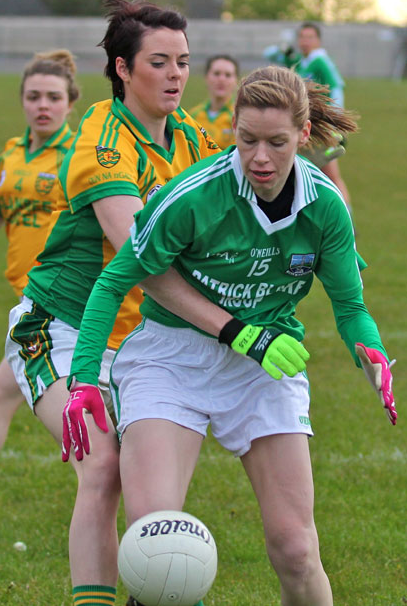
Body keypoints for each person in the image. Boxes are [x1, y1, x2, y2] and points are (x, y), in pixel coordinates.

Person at [64, 65, 397, 605]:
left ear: (303, 136)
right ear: (233, 132)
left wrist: (374, 355)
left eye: (276, 143)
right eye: (247, 141)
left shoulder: (325, 207)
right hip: (169, 361)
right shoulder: (192, 197)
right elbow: (113, 283)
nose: (259, 158)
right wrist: (82, 380)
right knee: (155, 541)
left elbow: (350, 307)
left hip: (265, 366)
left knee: (295, 549)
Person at [5, 0, 220, 606]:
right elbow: (141, 257)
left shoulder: (196, 137)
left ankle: (158, 593)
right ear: (123, 69)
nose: (177, 74)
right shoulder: (101, 136)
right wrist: (232, 328)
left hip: (144, 342)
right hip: (63, 328)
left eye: (183, 60)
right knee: (101, 470)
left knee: (156, 494)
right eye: (160, 61)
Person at [0, 49, 79, 503]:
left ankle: (108, 477)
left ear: (70, 102)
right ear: (22, 101)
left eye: (52, 96)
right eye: (33, 96)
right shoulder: (11, 153)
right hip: (32, 306)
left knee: (69, 416)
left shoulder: (80, 155)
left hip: (66, 306)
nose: (42, 105)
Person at [264, 22, 353, 210]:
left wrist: (336, 123)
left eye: (310, 37)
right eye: (302, 37)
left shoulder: (321, 61)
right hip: (304, 126)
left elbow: (336, 88)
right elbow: (269, 54)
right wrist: (284, 50)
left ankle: (347, 219)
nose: (306, 41)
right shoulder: (302, 61)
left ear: (318, 41)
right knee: (308, 174)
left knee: (330, 176)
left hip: (320, 127)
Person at [189, 54, 239, 149]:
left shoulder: (239, 117)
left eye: (228, 75)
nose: (221, 79)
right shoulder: (193, 116)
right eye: (216, 74)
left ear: (235, 80)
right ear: (206, 77)